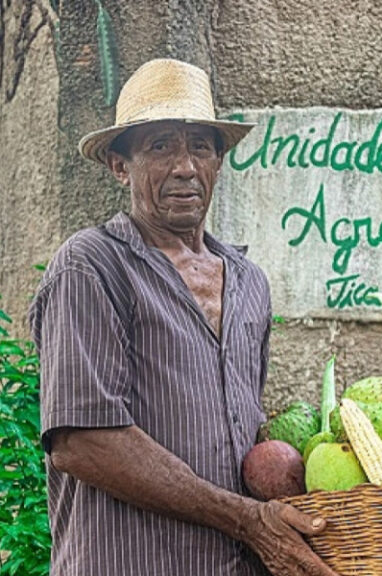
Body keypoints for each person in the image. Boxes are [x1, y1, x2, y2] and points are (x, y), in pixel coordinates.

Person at [29, 58, 339, 576]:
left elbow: (242, 432)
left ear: (219, 161)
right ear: (119, 164)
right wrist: (247, 520)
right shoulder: (91, 266)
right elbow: (83, 443)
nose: (185, 166)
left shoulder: (248, 282)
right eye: (160, 146)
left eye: (200, 145)